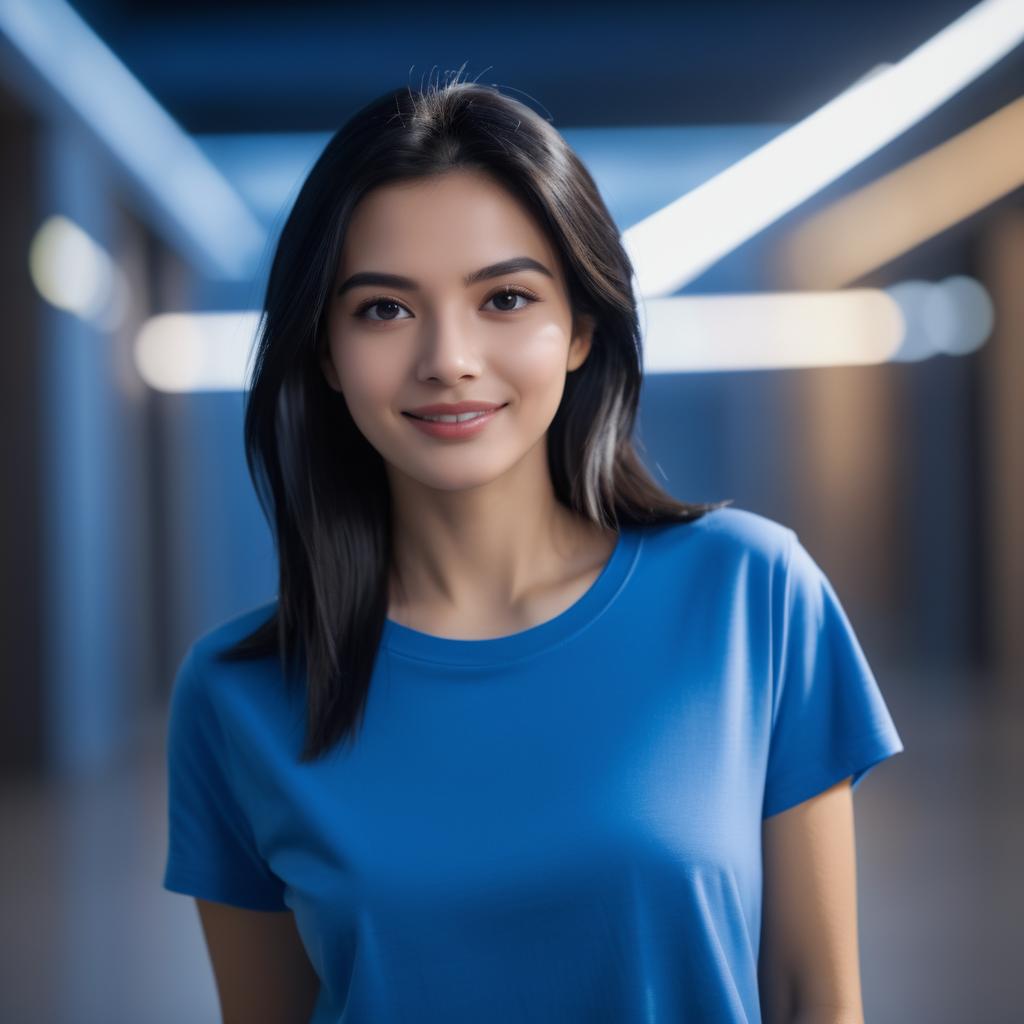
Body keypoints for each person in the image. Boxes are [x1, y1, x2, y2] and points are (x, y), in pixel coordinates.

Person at [163, 70, 904, 1024]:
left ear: (582, 328)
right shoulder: (235, 695)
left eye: (504, 299)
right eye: (384, 309)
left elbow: (815, 1000)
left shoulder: (752, 596)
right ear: (326, 357)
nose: (448, 359)